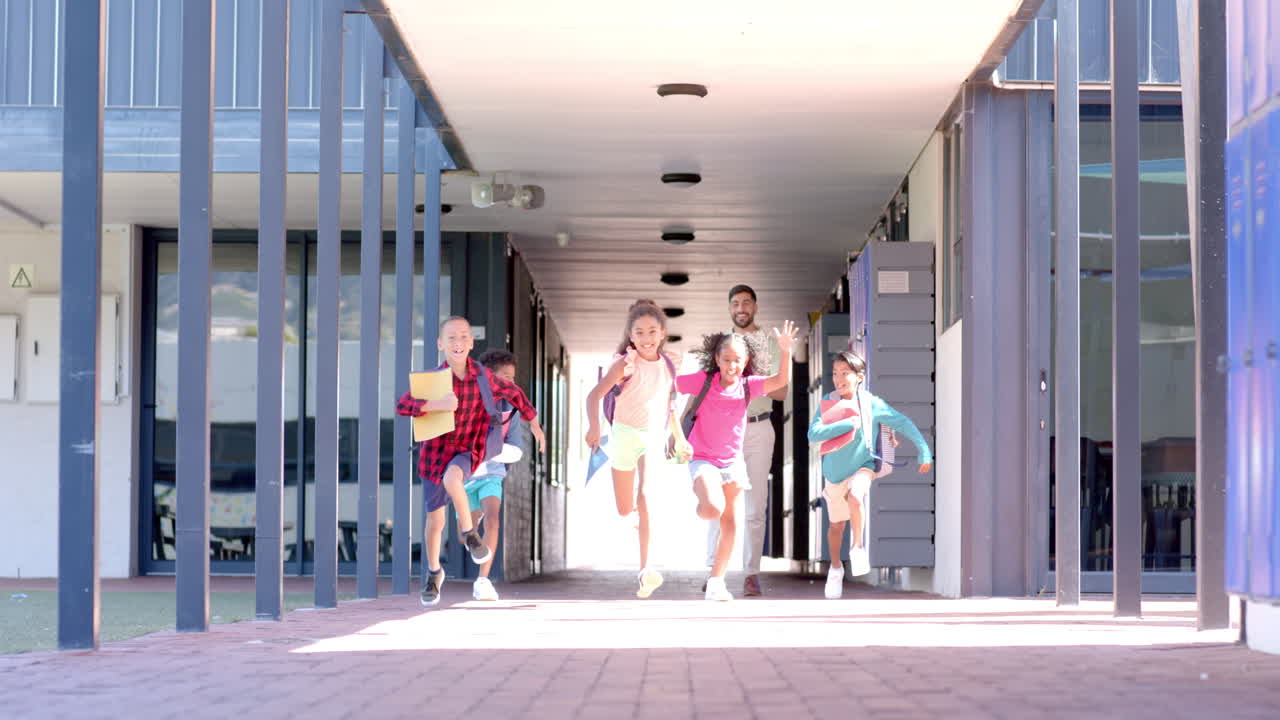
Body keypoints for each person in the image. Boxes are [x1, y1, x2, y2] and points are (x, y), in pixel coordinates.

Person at [396, 317, 546, 607]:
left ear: (471, 343)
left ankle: (470, 534)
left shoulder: (482, 376)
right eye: (451, 338)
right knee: (435, 522)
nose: (458, 342)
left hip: (467, 451)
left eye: (464, 336)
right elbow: (403, 406)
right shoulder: (434, 380)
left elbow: (514, 393)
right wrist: (437, 405)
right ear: (441, 344)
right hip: (435, 454)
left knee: (454, 479)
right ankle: (434, 572)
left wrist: (534, 423)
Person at [679, 321, 797, 601]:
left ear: (746, 362)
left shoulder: (748, 385)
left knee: (730, 521)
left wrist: (785, 352)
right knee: (713, 510)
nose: (732, 366)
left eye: (738, 361)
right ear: (717, 359)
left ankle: (717, 581)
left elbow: (780, 383)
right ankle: (704, 508)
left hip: (732, 463)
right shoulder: (703, 380)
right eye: (727, 360)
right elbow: (671, 385)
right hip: (703, 458)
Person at [585, 300, 692, 599]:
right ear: (631, 335)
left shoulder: (670, 364)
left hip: (652, 437)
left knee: (645, 496)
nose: (646, 338)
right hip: (622, 436)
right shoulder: (625, 363)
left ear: (662, 333)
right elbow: (594, 396)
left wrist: (679, 437)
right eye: (640, 332)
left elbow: (669, 406)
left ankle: (646, 569)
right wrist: (594, 427)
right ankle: (633, 516)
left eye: (652, 331)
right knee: (624, 508)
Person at [807, 350, 932, 600]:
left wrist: (924, 451)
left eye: (846, 373)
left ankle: (857, 548)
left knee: (856, 496)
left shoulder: (871, 403)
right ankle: (835, 568)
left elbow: (902, 422)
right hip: (834, 473)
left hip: (863, 465)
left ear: (859, 376)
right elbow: (814, 434)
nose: (839, 379)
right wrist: (846, 425)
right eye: (835, 373)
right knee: (835, 526)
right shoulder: (830, 402)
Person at [705, 284, 788, 597]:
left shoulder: (771, 342)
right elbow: (706, 385)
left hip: (758, 428)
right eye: (735, 303)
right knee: (719, 502)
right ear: (729, 308)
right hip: (724, 429)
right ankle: (714, 570)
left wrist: (750, 381)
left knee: (756, 505)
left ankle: (751, 572)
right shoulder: (720, 344)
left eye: (746, 303)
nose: (741, 308)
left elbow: (781, 391)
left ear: (756, 306)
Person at [462, 348, 523, 601]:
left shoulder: (512, 410)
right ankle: (471, 538)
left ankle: (483, 580)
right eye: (505, 377)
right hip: (464, 479)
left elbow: (517, 451)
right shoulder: (468, 402)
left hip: (492, 476)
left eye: (513, 378)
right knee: (466, 533)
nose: (511, 383)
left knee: (493, 519)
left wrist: (490, 451)